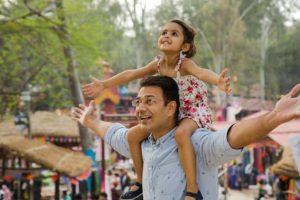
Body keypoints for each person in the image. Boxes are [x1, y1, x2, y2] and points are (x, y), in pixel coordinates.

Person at [73, 76, 300, 200]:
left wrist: (273, 118)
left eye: (149, 101)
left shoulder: (194, 142)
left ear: (171, 107)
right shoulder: (141, 143)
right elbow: (113, 133)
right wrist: (90, 121)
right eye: (138, 102)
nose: (140, 108)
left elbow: (231, 137)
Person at [82, 19, 230, 200]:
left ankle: (192, 189)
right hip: (171, 112)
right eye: (164, 32)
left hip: (192, 110)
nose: (166, 35)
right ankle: (140, 181)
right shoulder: (158, 64)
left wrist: (218, 81)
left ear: (184, 46)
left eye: (174, 34)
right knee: (132, 135)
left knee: (181, 134)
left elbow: (202, 73)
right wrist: (104, 84)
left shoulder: (184, 64)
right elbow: (132, 73)